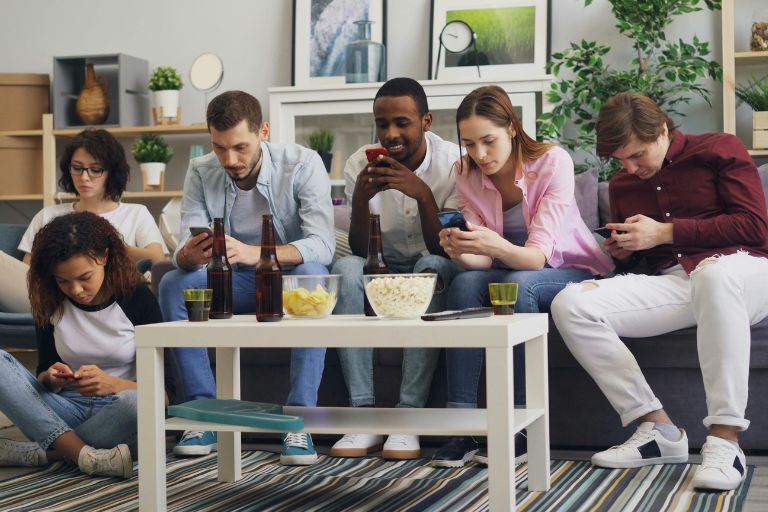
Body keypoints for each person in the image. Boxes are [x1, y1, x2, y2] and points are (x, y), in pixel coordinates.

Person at [550, 92, 768, 491]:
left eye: (637, 155)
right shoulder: (623, 185)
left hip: (744, 270)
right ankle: (658, 430)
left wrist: (666, 232)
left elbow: (755, 227)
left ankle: (725, 441)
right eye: (621, 161)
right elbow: (645, 262)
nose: (630, 169)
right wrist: (626, 252)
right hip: (677, 281)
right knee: (570, 304)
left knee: (713, 276)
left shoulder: (719, 149)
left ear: (662, 130)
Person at [430, 85, 614, 468]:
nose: (480, 154)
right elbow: (482, 263)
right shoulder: (465, 173)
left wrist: (492, 245)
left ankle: (519, 426)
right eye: (469, 144)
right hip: (506, 266)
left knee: (518, 284)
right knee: (464, 283)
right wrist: (461, 249)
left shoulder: (552, 162)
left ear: (512, 128)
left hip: (565, 267)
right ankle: (462, 425)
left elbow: (535, 258)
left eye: (488, 141)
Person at [158, 90, 335, 466]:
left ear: (263, 132)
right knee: (174, 283)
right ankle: (202, 414)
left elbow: (323, 244)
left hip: (286, 282)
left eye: (240, 147)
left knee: (313, 274)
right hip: (230, 281)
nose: (230, 160)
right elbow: (189, 245)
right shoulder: (201, 170)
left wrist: (259, 254)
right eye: (219, 148)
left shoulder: (302, 164)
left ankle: (298, 421)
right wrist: (187, 255)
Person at [329, 77, 463, 460]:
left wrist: (421, 193)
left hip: (433, 259)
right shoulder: (359, 163)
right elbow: (360, 250)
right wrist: (359, 200)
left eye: (402, 123)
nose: (390, 134)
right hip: (381, 266)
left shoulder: (453, 163)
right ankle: (363, 414)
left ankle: (408, 416)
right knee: (346, 268)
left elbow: (445, 247)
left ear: (426, 122)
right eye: (382, 124)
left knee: (431, 265)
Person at [0, 212, 163, 478]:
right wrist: (51, 377)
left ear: (104, 257)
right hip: (63, 409)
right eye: (63, 281)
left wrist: (114, 384)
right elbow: (43, 372)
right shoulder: (50, 300)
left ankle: (48, 453)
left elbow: (166, 394)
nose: (75, 290)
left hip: (117, 411)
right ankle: (87, 457)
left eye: (85, 277)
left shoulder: (137, 298)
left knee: (135, 404)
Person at [0, 129, 167, 314]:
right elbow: (28, 272)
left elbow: (157, 260)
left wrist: (112, 245)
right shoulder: (48, 215)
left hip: (108, 301)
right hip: (49, 297)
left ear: (112, 172)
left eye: (95, 170)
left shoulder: (135, 213)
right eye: (77, 168)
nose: (84, 177)